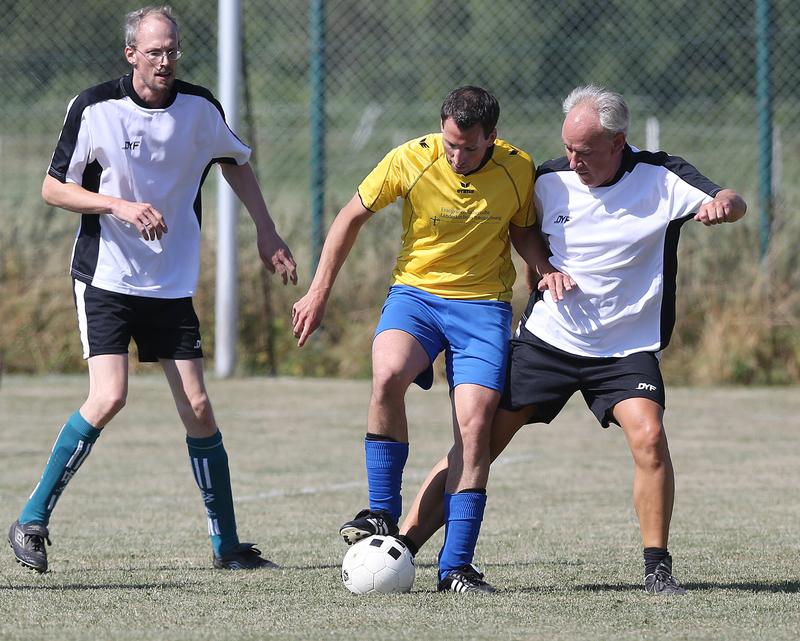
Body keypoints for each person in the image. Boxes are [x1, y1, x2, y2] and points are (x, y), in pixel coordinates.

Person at [396, 84, 747, 595]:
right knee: (477, 443)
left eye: (584, 151)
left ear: (618, 142)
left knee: (649, 436)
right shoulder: (548, 180)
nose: (573, 160)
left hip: (624, 351)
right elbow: (523, 233)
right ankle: (401, 547)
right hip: (548, 341)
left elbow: (731, 200)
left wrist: (723, 207)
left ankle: (657, 568)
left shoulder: (661, 177)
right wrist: (544, 271)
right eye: (568, 148)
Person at [8, 5, 297, 574]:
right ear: (131, 54)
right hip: (106, 278)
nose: (166, 61)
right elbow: (53, 188)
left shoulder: (200, 108)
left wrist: (266, 230)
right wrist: (118, 205)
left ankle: (227, 546)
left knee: (198, 407)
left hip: (169, 283)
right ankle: (31, 519)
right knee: (109, 395)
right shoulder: (94, 107)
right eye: (155, 51)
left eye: (172, 51)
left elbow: (235, 162)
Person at [292, 86, 564, 593]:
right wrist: (318, 292)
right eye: (450, 144)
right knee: (387, 374)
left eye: (470, 147)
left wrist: (541, 267)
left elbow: (523, 230)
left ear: (492, 137)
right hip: (416, 297)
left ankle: (455, 567)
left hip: (482, 307)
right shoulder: (410, 159)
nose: (457, 156)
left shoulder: (518, 168)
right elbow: (350, 217)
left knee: (475, 427)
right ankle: (381, 512)